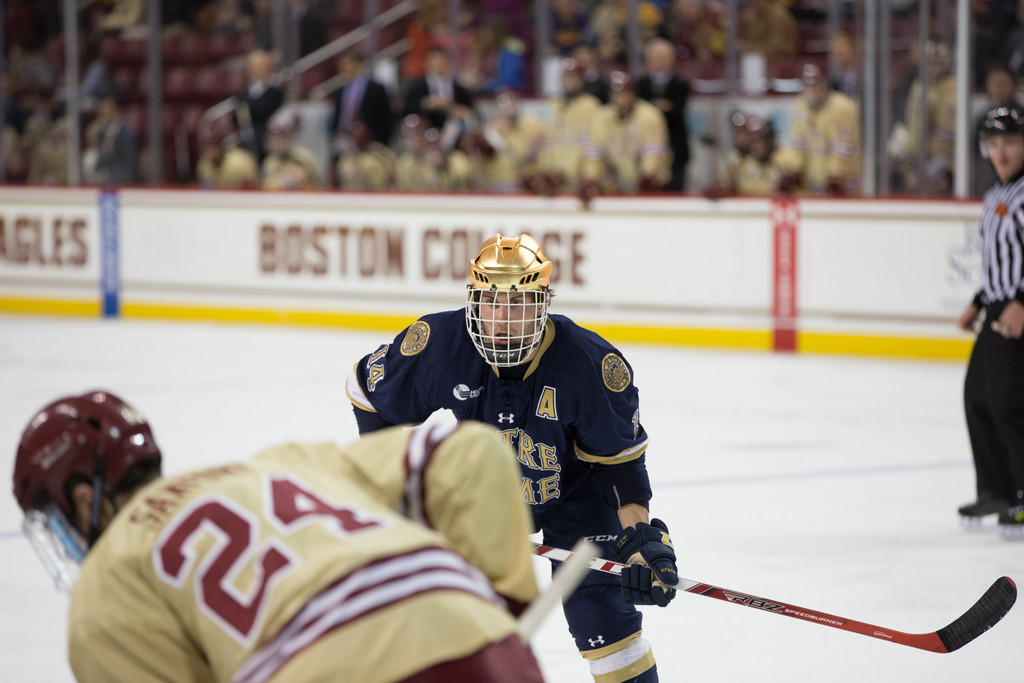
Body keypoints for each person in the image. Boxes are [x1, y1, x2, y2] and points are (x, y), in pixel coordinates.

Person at [13, 390, 545, 681]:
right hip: (489, 647)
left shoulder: (106, 583)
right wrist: (495, 610)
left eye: (55, 519)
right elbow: (470, 452)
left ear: (84, 496)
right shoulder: (285, 464)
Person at [348, 233, 679, 683]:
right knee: (448, 622)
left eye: (520, 303)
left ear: (543, 304)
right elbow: (370, 397)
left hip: (577, 494)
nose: (502, 318)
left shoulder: (589, 364)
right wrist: (393, 490)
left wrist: (639, 539)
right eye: (490, 302)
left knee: (602, 617)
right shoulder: (440, 345)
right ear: (473, 301)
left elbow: (619, 464)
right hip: (482, 493)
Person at [956, 106, 1024, 540]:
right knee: (977, 397)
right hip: (997, 308)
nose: (1000, 152)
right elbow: (1001, 261)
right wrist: (979, 301)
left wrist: (1021, 301)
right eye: (994, 145)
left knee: (1009, 404)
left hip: (1017, 312)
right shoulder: (995, 194)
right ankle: (997, 490)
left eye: (1010, 143)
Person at [582, 70, 672, 196]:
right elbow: (594, 153)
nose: (620, 97)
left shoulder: (649, 115)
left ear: (633, 93)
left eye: (624, 92)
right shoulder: (601, 117)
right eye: (616, 93)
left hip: (649, 187)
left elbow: (652, 151)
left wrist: (648, 175)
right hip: (612, 187)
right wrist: (591, 179)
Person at [775, 63, 860, 196]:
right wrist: (793, 170)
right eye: (808, 86)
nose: (813, 91)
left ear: (825, 85)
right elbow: (799, 145)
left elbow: (842, 149)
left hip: (844, 185)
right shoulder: (800, 106)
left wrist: (835, 176)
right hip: (814, 185)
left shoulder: (843, 107)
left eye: (817, 85)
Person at [636, 37, 691, 191]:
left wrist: (652, 107)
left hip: (675, 144)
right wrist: (662, 107)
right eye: (656, 56)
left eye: (664, 56)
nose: (660, 60)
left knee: (675, 188)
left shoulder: (680, 84)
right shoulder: (640, 84)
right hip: (646, 144)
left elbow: (677, 112)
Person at [235, 49, 284, 162]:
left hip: (268, 142)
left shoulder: (275, 92)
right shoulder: (243, 93)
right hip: (247, 140)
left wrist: (247, 108)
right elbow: (237, 116)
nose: (257, 70)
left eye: (261, 67)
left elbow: (262, 110)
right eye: (254, 67)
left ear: (269, 69)